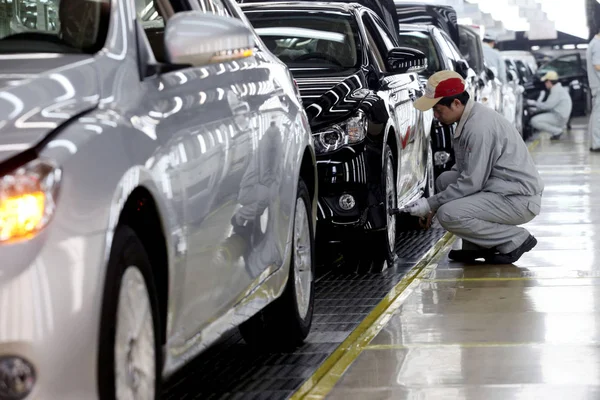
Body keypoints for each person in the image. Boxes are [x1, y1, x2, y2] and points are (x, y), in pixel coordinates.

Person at [405, 70, 544, 264]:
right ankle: (477, 245)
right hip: (500, 188)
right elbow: (465, 170)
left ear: (456, 103)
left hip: (517, 200)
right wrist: (433, 203)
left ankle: (514, 239)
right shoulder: (470, 117)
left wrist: (431, 204)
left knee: (448, 214)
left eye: (437, 109)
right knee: (445, 180)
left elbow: (471, 183)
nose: (436, 116)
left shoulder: (479, 128)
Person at [527, 70, 573, 140]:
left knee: (534, 121)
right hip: (560, 116)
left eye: (545, 82)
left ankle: (557, 131)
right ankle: (556, 130)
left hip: (559, 118)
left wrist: (533, 103)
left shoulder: (556, 91)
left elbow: (547, 106)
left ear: (548, 82)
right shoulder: (558, 89)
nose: (545, 84)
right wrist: (537, 109)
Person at [587, 30, 600, 152]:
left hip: (596, 85)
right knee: (598, 116)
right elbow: (597, 65)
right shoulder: (597, 44)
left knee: (596, 114)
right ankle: (597, 144)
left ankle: (594, 143)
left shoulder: (594, 43)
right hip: (598, 85)